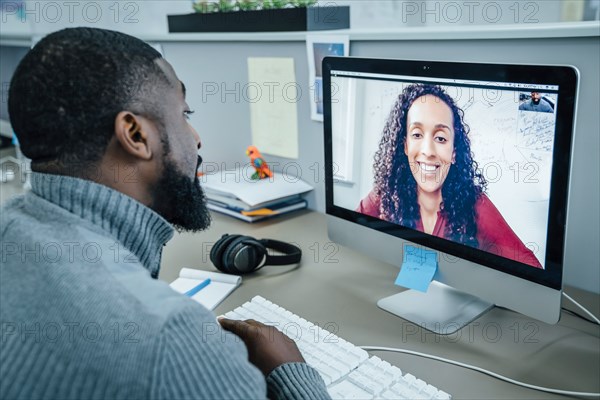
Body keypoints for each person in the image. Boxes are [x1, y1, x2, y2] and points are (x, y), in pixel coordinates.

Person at [0, 28, 330, 399]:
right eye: (185, 114)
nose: (197, 138)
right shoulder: (167, 337)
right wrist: (290, 371)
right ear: (135, 135)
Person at [357, 84, 542, 268]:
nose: (428, 151)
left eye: (440, 138)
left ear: (454, 152)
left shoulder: (474, 204)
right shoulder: (387, 194)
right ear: (405, 146)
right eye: (417, 134)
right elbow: (351, 230)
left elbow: (531, 268)